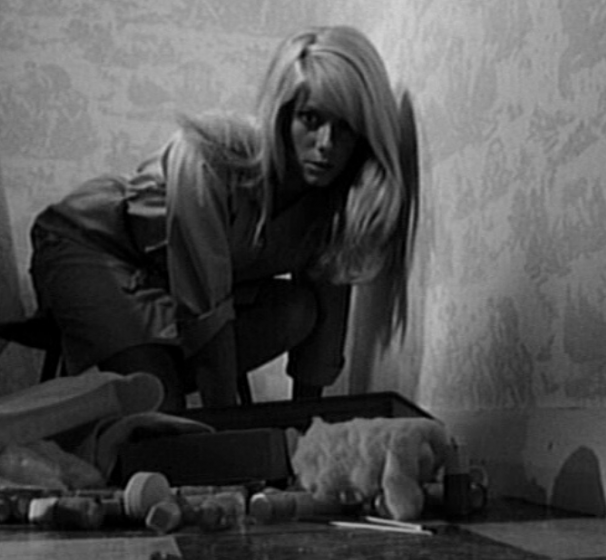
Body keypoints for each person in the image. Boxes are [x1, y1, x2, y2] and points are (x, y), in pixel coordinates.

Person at [29, 25, 418, 412]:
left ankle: (146, 386)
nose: (327, 144)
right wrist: (227, 426)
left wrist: (308, 429)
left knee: (299, 310)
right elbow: (205, 303)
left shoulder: (339, 203)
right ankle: (146, 390)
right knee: (160, 405)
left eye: (345, 128)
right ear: (284, 115)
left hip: (174, 286)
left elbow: (325, 331)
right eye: (311, 119)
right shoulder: (211, 154)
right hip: (93, 245)